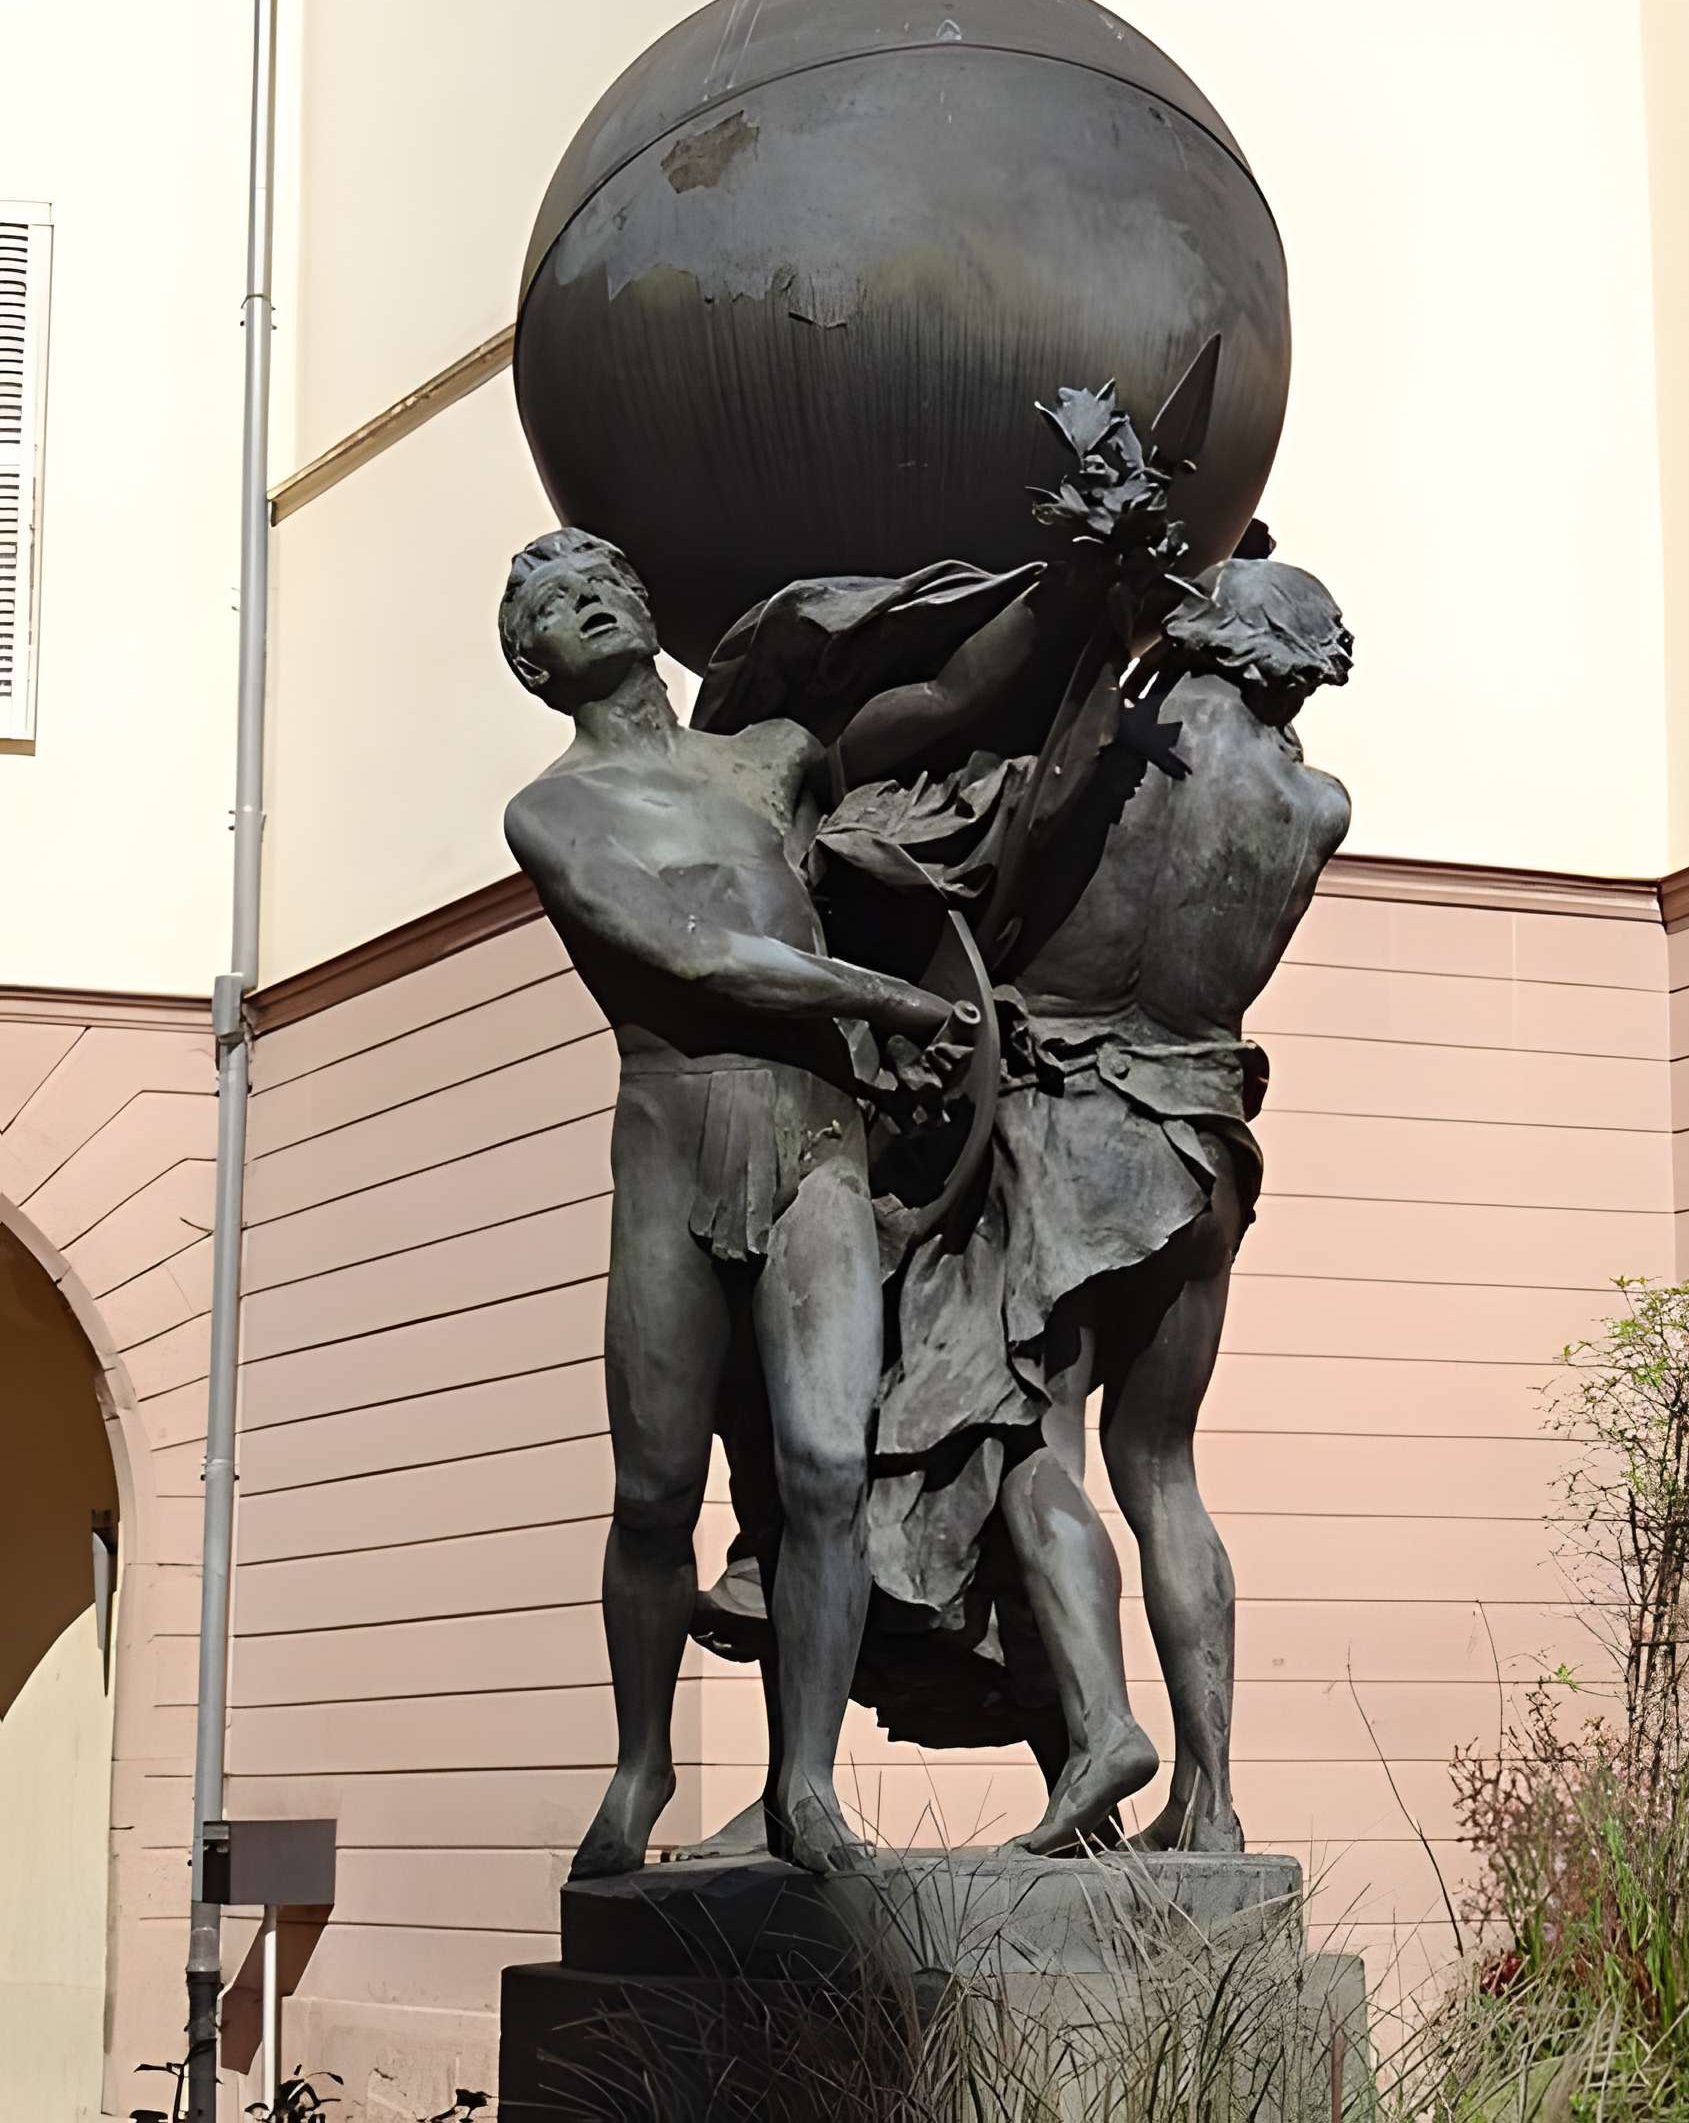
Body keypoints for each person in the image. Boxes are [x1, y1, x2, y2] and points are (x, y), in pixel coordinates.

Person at [498, 528, 973, 1878]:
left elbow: (940, 712)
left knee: (827, 1469)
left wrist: (1066, 597)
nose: (588, 601)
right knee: (657, 1493)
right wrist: (889, 1001)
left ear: (648, 608)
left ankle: (804, 1784)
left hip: (815, 1137)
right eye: (554, 603)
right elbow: (695, 956)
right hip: (672, 1143)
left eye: (603, 582)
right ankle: (642, 1765)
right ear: (535, 665)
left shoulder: (768, 760)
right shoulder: (554, 811)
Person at [876, 554, 1354, 1854]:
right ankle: (1212, 1800)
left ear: (1201, 630)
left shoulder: (1102, 758)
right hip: (1204, 1150)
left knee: (1034, 1444)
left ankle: (1100, 1735)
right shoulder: (1316, 806)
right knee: (1166, 1470)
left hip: (1068, 1141)